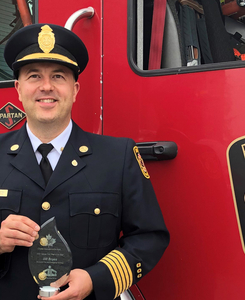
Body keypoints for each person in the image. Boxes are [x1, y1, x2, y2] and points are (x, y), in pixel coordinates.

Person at [0, 23, 169, 300]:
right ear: (18, 89)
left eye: (58, 76)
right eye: (34, 76)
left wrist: (95, 279)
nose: (46, 87)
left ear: (75, 89)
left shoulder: (118, 156)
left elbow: (150, 238)